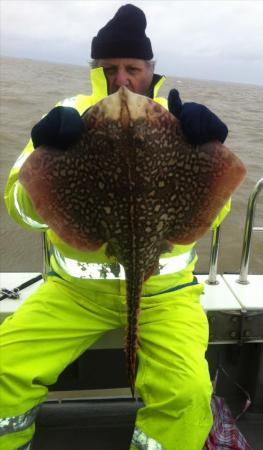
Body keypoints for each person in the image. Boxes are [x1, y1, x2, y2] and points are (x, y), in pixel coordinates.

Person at [0, 4, 231, 450]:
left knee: (187, 393)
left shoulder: (180, 120)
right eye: (110, 68)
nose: (122, 81)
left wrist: (209, 150)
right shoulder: (66, 116)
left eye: (132, 68)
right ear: (96, 70)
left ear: (150, 70)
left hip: (166, 295)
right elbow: (20, 209)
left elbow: (211, 218)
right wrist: (45, 155)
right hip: (72, 293)